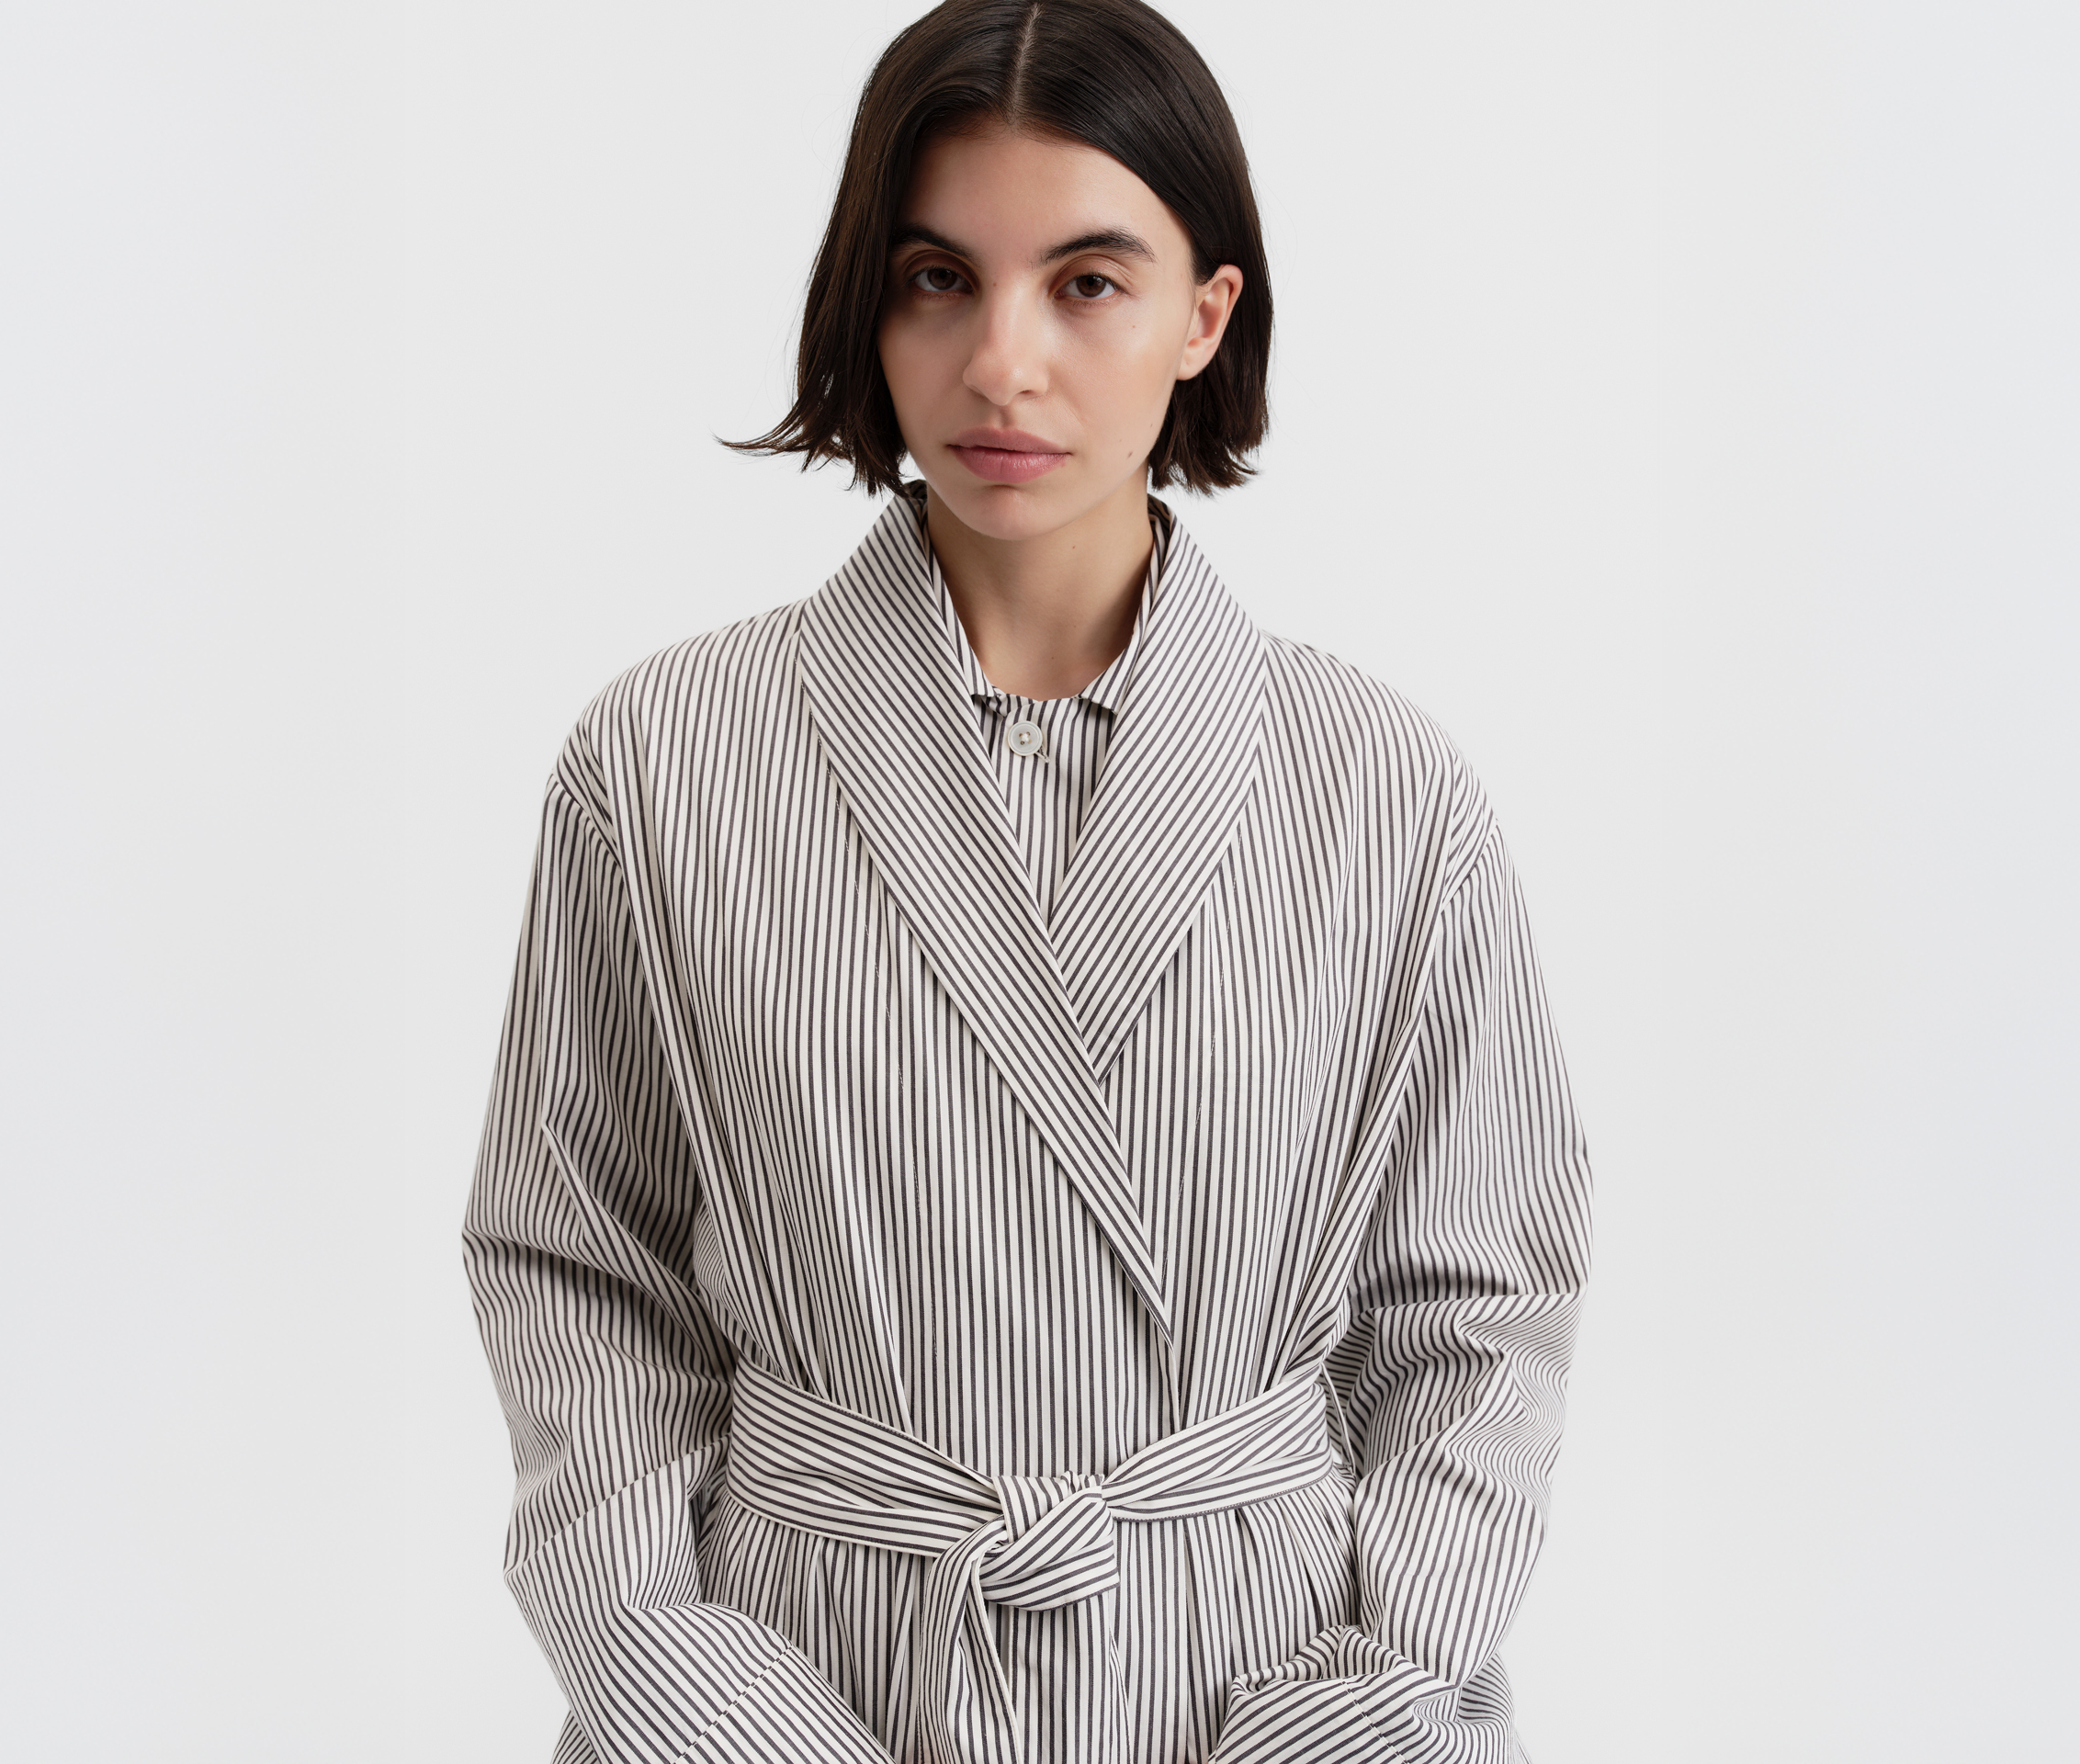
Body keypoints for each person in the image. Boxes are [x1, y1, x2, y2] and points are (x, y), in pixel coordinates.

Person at [463, 2, 1592, 1760]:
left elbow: (1479, 1318)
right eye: (938, 277)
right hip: (800, 1668)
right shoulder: (665, 762)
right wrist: (692, 1694)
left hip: (1258, 1675)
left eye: (1087, 282)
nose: (1003, 363)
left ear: (1204, 316)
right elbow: (577, 1271)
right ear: (870, 302)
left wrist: (1368, 1704)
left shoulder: (1386, 793)